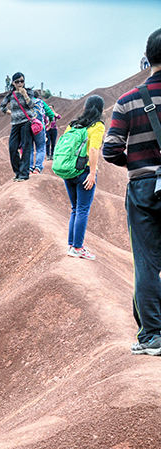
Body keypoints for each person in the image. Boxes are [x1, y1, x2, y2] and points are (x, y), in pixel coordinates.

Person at [103, 27, 161, 356]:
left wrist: (137, 165)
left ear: (147, 57)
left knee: (147, 264)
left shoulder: (127, 102)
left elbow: (110, 150)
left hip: (143, 189)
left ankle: (153, 336)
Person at [63, 95, 105, 261]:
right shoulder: (97, 126)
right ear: (100, 110)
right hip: (84, 171)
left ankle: (71, 245)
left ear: (85, 108)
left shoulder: (73, 124)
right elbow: (94, 150)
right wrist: (92, 173)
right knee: (82, 210)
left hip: (69, 170)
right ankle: (78, 247)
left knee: (75, 209)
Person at [0, 72, 35, 181]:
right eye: (17, 81)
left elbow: (32, 105)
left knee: (26, 148)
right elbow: (2, 107)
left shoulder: (29, 92)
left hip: (26, 122)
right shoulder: (11, 94)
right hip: (15, 123)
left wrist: (25, 95)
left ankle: (24, 174)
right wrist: (11, 112)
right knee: (12, 148)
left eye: (22, 81)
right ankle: (18, 172)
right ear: (13, 83)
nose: (20, 83)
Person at [29, 93, 57, 174]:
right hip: (39, 128)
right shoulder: (41, 102)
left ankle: (30, 168)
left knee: (29, 148)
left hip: (28, 127)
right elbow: (51, 114)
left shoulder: (25, 101)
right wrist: (49, 122)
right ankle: (38, 168)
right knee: (40, 148)